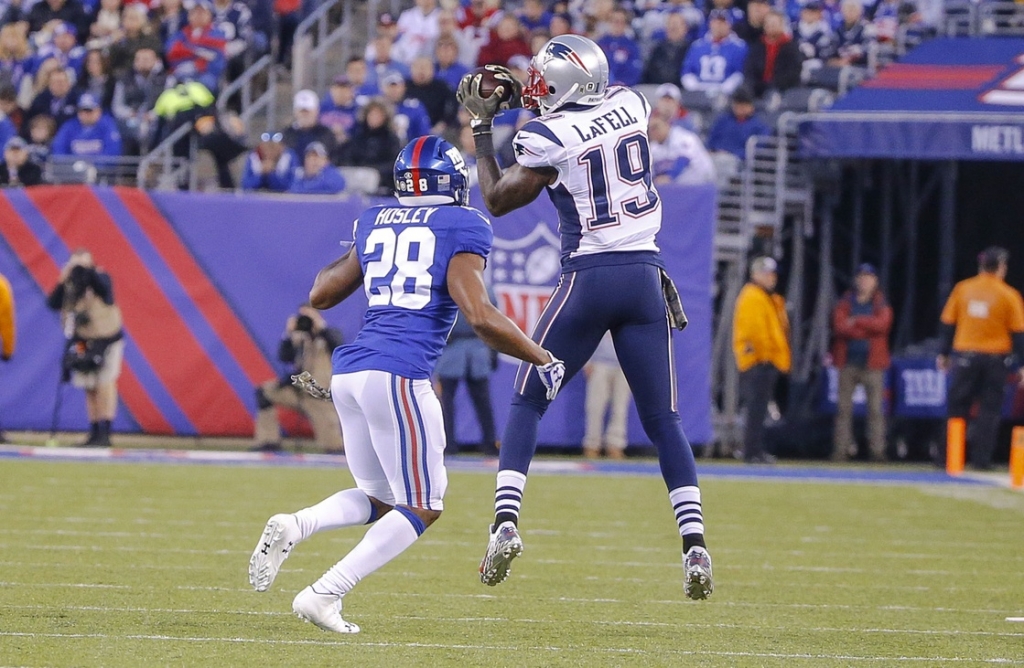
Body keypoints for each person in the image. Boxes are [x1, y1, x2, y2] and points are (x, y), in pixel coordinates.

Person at [247, 135, 565, 634]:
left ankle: (296, 524)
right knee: (424, 504)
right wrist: (541, 356)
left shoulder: (375, 219)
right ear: (451, 181)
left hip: (351, 372)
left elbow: (321, 293)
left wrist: (361, 247)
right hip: (399, 373)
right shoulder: (464, 222)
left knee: (378, 497)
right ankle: (324, 593)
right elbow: (479, 316)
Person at [457, 34, 712, 599]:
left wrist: (480, 129)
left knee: (527, 397)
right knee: (663, 419)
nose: (535, 91)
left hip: (590, 276)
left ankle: (504, 522)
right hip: (645, 274)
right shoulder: (631, 104)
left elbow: (497, 199)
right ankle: (694, 541)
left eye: (544, 82)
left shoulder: (546, 137)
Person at [938, 247, 1024, 471]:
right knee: (989, 411)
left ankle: (948, 457)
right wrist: (1022, 364)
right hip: (996, 359)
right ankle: (981, 460)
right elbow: (1018, 333)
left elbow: (948, 323)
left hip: (966, 356)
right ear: (1001, 267)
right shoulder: (1009, 295)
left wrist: (943, 353)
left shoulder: (963, 289)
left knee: (957, 407)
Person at [46, 249, 124, 447]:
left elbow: (106, 293)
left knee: (105, 383)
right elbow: (53, 303)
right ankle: (94, 430)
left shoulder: (101, 277)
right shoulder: (71, 284)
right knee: (88, 383)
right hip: (82, 340)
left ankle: (106, 431)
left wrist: (90, 273)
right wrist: (64, 279)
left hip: (107, 338)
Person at [252, 304, 344, 453]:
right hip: (298, 391)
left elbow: (339, 345)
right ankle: (268, 441)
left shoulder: (328, 335)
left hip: (319, 395)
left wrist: (320, 327)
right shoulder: (299, 338)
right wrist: (288, 334)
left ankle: (333, 445)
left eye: (309, 316)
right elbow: (284, 357)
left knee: (334, 447)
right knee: (264, 393)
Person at [830, 263, 892, 462]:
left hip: (872, 365)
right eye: (862, 277)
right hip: (847, 363)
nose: (865, 281)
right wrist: (867, 325)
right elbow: (840, 327)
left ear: (875, 281)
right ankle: (841, 451)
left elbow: (882, 325)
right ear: (857, 280)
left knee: (875, 410)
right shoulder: (845, 302)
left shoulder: (881, 303)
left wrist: (856, 320)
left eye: (869, 277)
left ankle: (877, 452)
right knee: (843, 411)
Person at [732, 256, 790, 464]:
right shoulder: (753, 296)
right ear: (755, 274)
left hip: (766, 360)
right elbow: (755, 332)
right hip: (758, 361)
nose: (770, 278)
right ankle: (751, 451)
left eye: (772, 274)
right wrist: (766, 357)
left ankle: (755, 450)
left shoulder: (766, 297)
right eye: (766, 273)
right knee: (755, 409)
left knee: (759, 408)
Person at [435, 287, 499, 456]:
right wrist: (493, 353)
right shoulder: (485, 290)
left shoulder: (448, 289)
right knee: (479, 402)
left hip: (456, 350)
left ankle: (449, 445)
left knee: (448, 402)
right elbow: (495, 323)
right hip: (474, 350)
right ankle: (489, 444)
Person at [582, 332, 632, 460]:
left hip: (624, 363)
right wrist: (587, 361)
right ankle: (592, 444)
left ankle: (615, 445)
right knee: (595, 406)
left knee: (620, 408)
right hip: (600, 362)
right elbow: (589, 335)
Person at [680, 9, 747, 96]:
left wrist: (724, 89)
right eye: (715, 22)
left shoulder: (739, 47)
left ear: (729, 24)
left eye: (722, 22)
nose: (718, 25)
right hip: (698, 92)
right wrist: (695, 88)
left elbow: (739, 73)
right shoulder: (697, 46)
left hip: (726, 95)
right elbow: (686, 71)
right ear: (710, 23)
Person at [165, 0, 227, 93]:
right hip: (180, 73)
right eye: (195, 12)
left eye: (202, 12)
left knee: (205, 84)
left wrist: (190, 51)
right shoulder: (180, 35)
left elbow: (217, 58)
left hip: (207, 75)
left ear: (210, 15)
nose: (198, 15)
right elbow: (172, 53)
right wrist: (199, 52)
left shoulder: (217, 34)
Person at [744, 9, 803, 98]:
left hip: (783, 90)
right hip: (758, 89)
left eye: (774, 24)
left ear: (782, 25)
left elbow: (793, 73)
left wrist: (772, 85)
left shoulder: (791, 47)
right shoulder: (758, 45)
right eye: (768, 23)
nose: (770, 26)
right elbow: (750, 68)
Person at [50, 92, 123, 160]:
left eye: (89, 110)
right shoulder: (69, 126)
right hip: (73, 171)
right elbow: (58, 149)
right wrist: (71, 166)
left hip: (101, 172)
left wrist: (91, 167)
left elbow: (113, 152)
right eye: (82, 110)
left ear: (99, 111)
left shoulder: (107, 125)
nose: (85, 114)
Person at [281, 89, 336, 159]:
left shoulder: (326, 134)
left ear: (316, 111)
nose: (305, 115)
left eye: (308, 111)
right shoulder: (287, 134)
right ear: (295, 112)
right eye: (302, 111)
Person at [641, 11, 691, 85]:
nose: (673, 28)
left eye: (676, 26)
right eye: (670, 26)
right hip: (657, 89)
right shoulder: (657, 49)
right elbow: (648, 74)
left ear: (685, 28)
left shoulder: (691, 49)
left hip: (682, 90)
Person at [597, 7, 642, 87]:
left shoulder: (631, 46)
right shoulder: (600, 43)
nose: (617, 25)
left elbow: (634, 70)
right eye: (615, 21)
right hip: (601, 88)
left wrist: (620, 84)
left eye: (621, 22)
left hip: (623, 88)